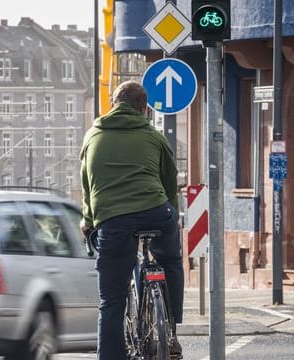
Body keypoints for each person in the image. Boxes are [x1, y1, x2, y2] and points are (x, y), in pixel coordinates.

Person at [79, 80, 184, 359]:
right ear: (143, 108)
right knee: (171, 260)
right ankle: (171, 332)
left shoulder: (93, 135)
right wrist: (172, 217)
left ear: (113, 105)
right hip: (155, 211)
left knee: (111, 300)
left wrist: (88, 220)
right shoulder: (154, 135)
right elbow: (169, 181)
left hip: (112, 220)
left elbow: (87, 184)